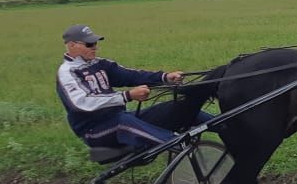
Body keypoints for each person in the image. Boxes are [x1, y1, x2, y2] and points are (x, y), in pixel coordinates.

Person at [55, 24, 213, 151]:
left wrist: (164, 77)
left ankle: (227, 126)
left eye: (96, 43)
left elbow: (131, 75)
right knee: (124, 121)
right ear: (72, 45)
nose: (95, 47)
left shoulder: (101, 64)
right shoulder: (67, 72)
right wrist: (127, 96)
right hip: (95, 132)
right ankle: (175, 143)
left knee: (179, 107)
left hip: (120, 119)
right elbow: (82, 102)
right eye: (89, 44)